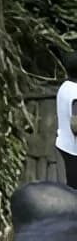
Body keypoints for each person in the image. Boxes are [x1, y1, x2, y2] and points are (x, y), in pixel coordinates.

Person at [56, 51, 77, 188]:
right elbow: (75, 125)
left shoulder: (64, 87)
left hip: (64, 143)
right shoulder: (76, 92)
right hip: (74, 149)